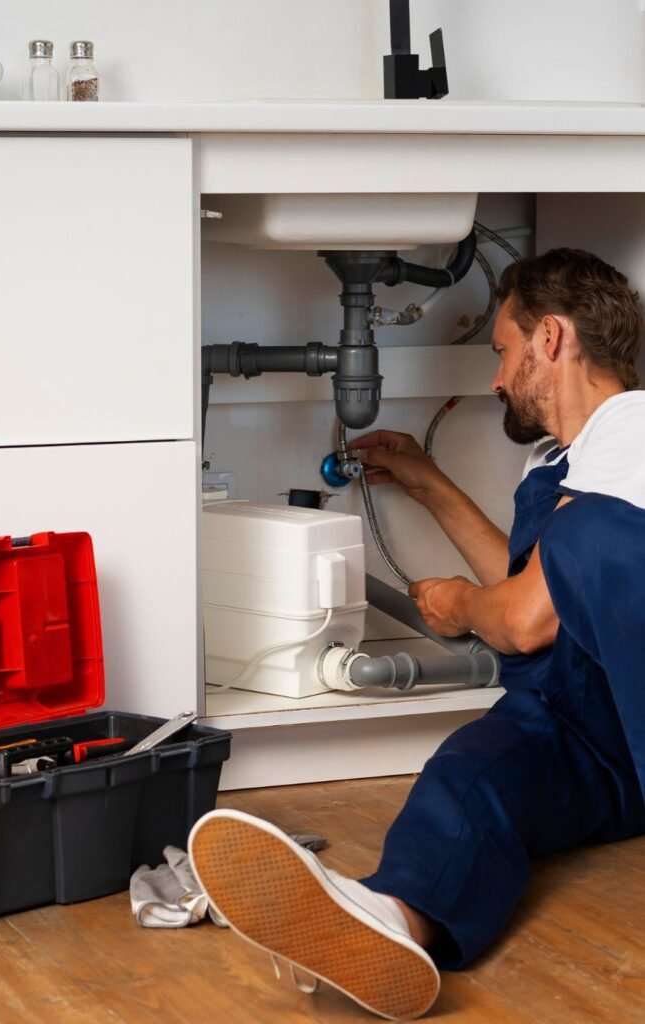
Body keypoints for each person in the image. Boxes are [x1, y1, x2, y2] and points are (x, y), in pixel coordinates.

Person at [188, 248, 645, 1021]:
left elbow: (525, 620)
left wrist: (463, 605)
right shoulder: (562, 460)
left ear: (551, 338)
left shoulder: (634, 433)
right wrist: (429, 483)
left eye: (502, 350)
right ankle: (390, 920)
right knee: (471, 774)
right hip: (587, 735)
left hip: (627, 713)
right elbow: (535, 586)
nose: (496, 379)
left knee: (579, 541)